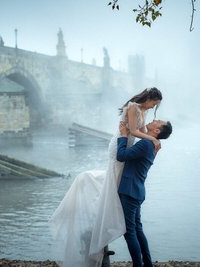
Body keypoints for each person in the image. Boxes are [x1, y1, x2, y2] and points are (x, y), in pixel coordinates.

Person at [50, 88, 163, 267]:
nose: (153, 107)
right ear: (150, 98)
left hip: (128, 147)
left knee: (119, 192)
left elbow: (141, 132)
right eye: (154, 103)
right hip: (122, 143)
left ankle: (138, 261)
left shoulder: (143, 114)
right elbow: (134, 131)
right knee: (115, 181)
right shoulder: (134, 107)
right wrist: (152, 140)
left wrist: (151, 139)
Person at [117, 119, 172, 267]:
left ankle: (138, 265)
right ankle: (147, 264)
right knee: (137, 228)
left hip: (129, 191)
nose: (154, 119)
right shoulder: (151, 144)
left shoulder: (146, 144)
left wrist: (123, 136)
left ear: (157, 131)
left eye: (158, 121)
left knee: (129, 232)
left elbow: (121, 156)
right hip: (137, 191)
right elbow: (139, 132)